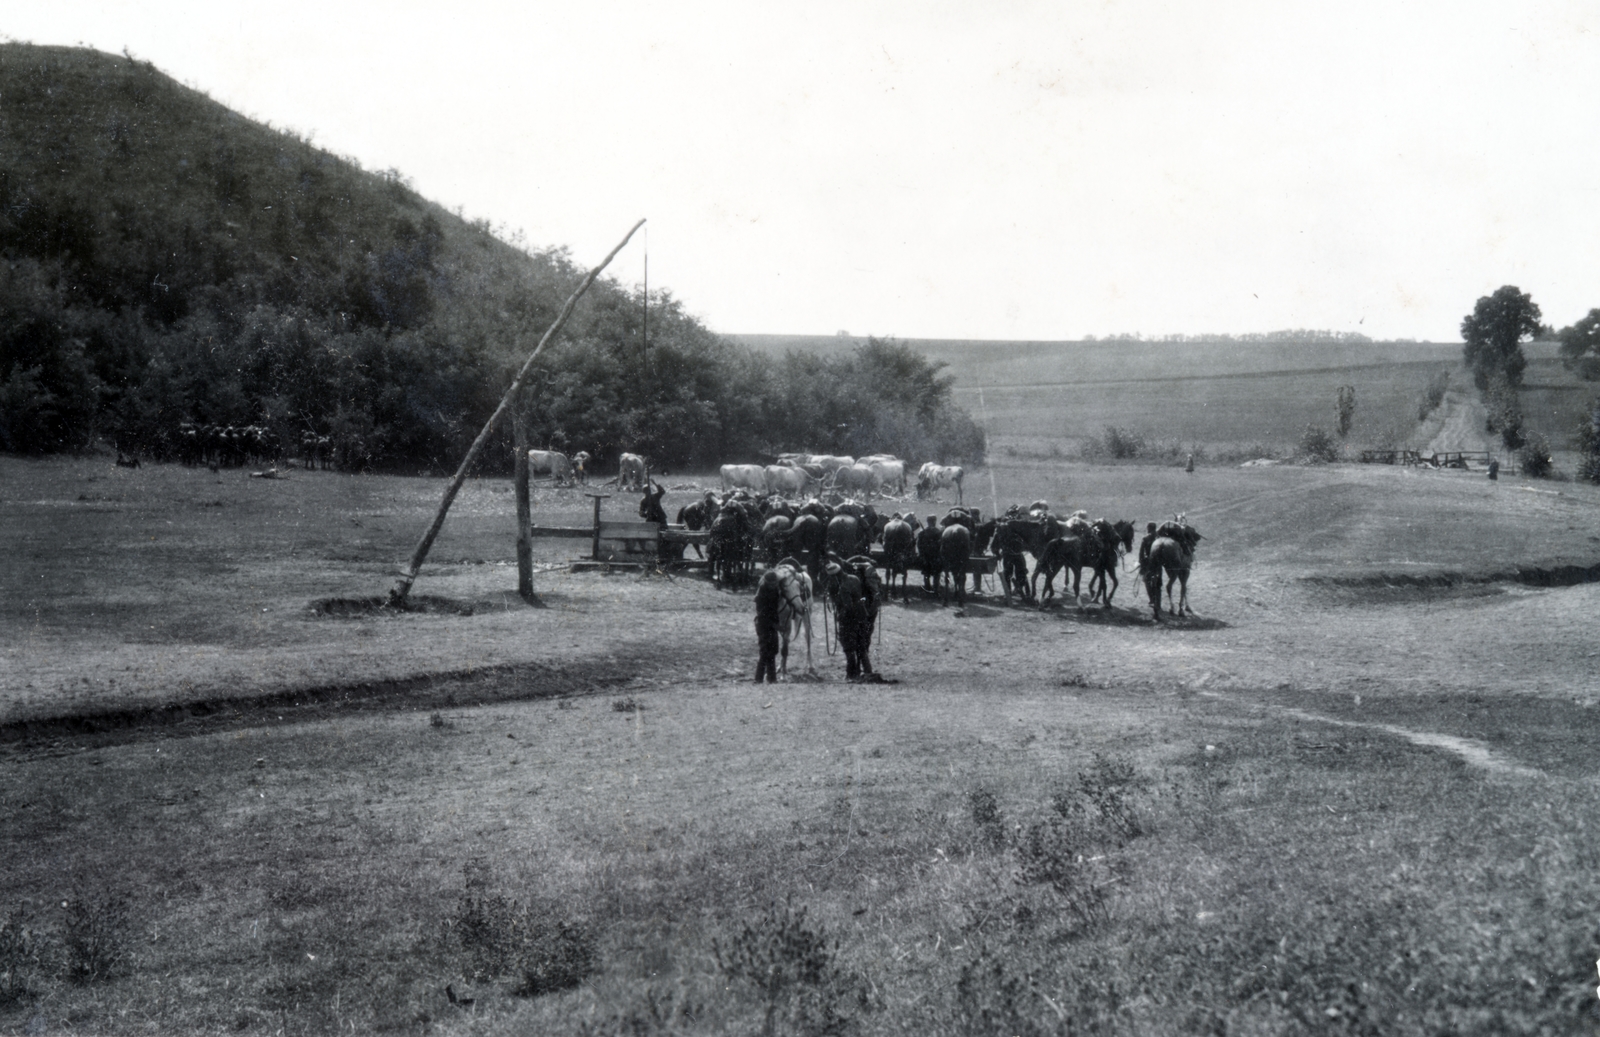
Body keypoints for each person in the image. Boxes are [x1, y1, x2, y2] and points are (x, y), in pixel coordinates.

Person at [753, 568, 784, 683]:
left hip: (772, 625)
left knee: (773, 651)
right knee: (765, 651)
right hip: (763, 625)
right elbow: (762, 615)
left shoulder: (774, 590)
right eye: (772, 583)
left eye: (775, 583)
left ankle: (772, 678)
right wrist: (775, 625)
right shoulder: (761, 594)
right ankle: (759, 678)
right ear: (767, 583)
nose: (774, 585)